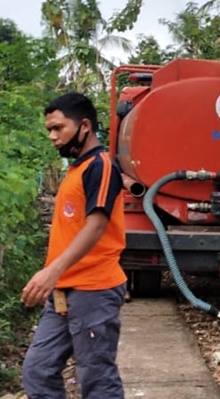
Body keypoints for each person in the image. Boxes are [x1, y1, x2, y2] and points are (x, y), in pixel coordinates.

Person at [21, 92, 127, 398]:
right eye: (49, 131)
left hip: (94, 290)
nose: (53, 137)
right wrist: (54, 277)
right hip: (62, 292)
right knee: (38, 371)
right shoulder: (75, 170)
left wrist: (52, 271)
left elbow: (96, 226)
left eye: (58, 128)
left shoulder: (101, 166)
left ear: (84, 126)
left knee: (96, 378)